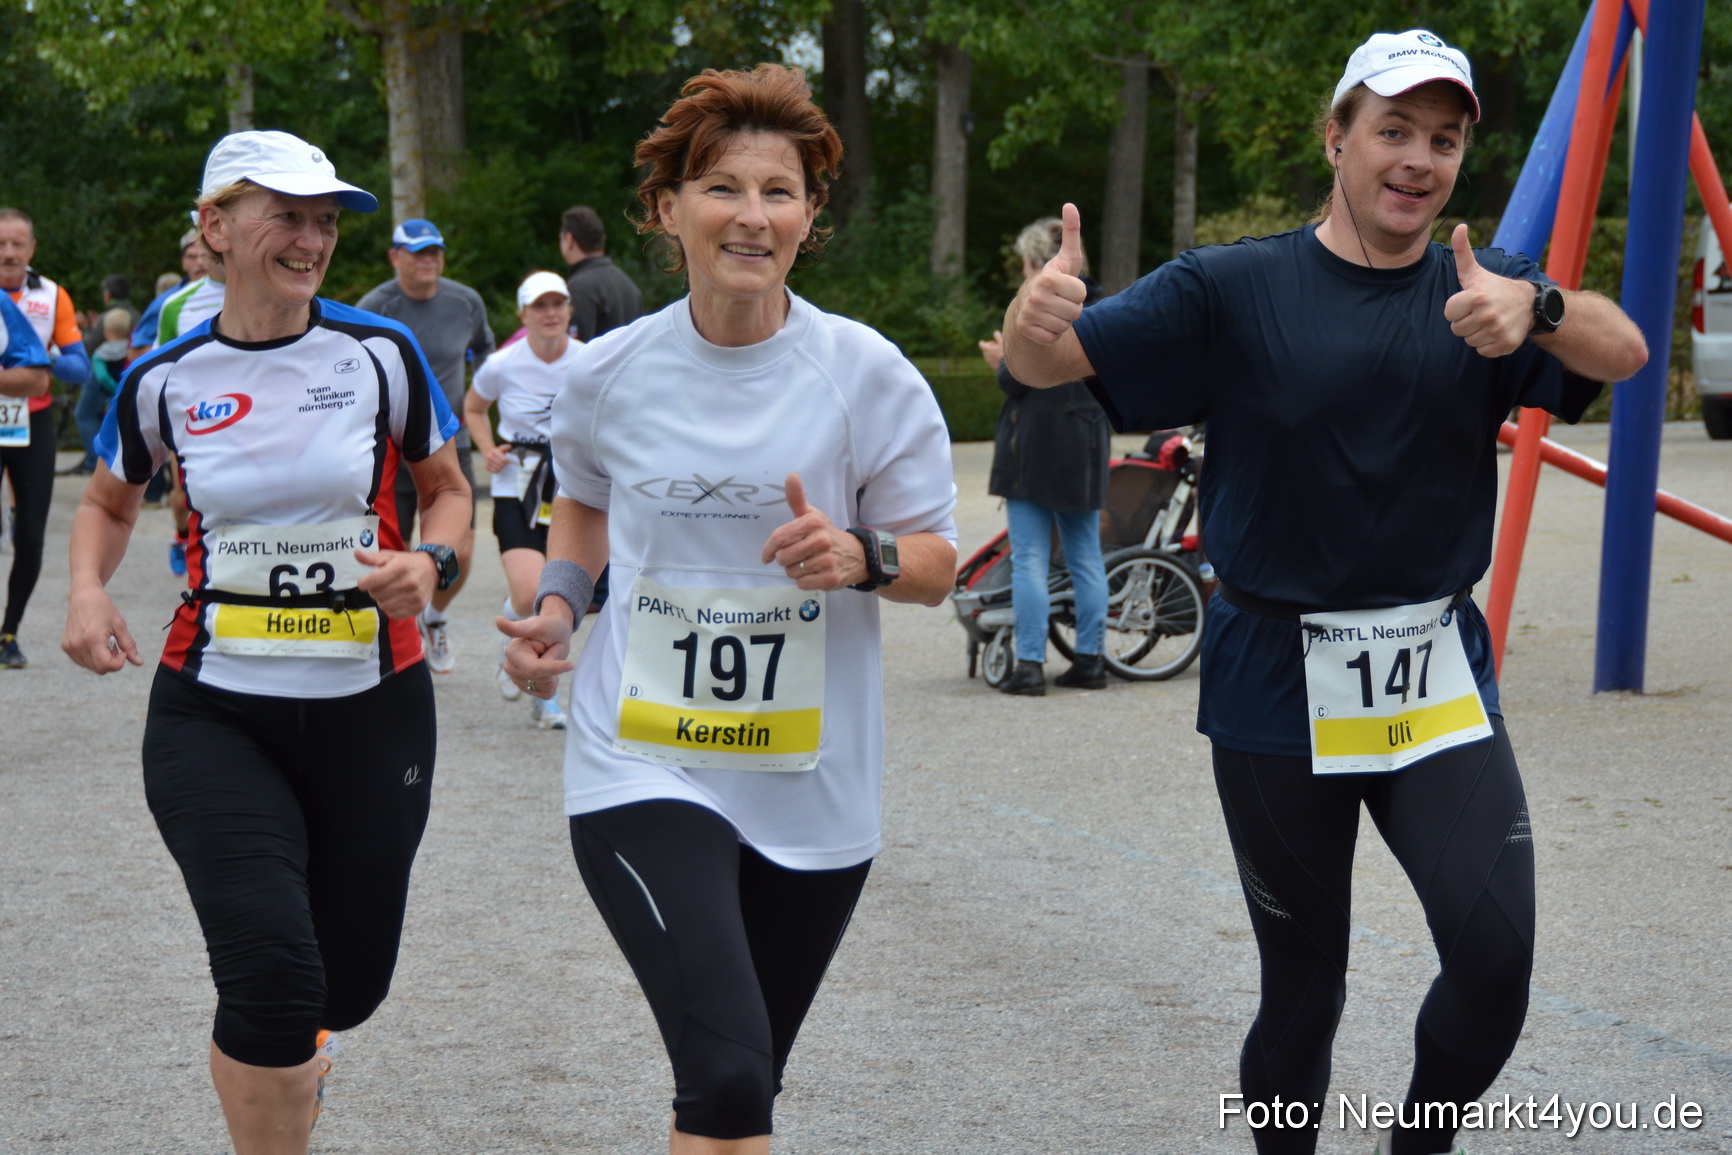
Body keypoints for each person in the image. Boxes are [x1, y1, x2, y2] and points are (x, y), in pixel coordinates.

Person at [1002, 29, 1647, 1155]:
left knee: (1494, 961)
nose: (1418, 159)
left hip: (1433, 667)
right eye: (1393, 130)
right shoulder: (1232, 284)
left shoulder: (1482, 283)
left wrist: (1536, 307)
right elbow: (1044, 368)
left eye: (1442, 140)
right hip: (1273, 682)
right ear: (1336, 136)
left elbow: (1626, 349)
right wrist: (1035, 314)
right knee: (1304, 988)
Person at [502, 64, 957, 1154]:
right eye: (722, 188)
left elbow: (941, 565)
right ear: (666, 210)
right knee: (723, 1071)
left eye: (779, 192)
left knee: (737, 1088)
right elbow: (581, 509)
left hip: (813, 786)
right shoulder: (606, 375)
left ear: (810, 218)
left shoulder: (867, 374)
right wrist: (560, 612)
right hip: (642, 759)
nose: (752, 216)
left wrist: (861, 554)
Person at [62, 129, 470, 1154]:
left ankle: (299, 1061)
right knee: (271, 975)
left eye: (326, 221)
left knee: (347, 984)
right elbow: (109, 503)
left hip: (374, 704)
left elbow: (450, 492)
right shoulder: (163, 376)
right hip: (213, 709)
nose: (311, 238)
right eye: (285, 214)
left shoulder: (379, 355)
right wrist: (83, 590)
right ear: (215, 228)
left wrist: (434, 567)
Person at [978, 216, 1111, 696]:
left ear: (1035, 262)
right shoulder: (1101, 305)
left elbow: (1018, 380)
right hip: (1086, 442)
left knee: (1030, 558)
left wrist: (1001, 362)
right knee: (1086, 557)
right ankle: (1092, 659)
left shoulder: (1038, 307)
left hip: (1033, 446)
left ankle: (1030, 664)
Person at [357, 217, 495, 672]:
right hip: (391, 447)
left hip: (448, 439)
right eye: (417, 253)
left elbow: (487, 356)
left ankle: (433, 618)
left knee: (461, 547)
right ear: (395, 257)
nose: (428, 261)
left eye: (434, 251)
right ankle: (394, 639)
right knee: (392, 546)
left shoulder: (465, 302)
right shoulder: (376, 306)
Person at [463, 271, 583, 730]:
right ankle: (511, 645)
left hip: (570, 491)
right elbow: (473, 408)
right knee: (531, 593)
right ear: (523, 314)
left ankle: (544, 697)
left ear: (569, 310)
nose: (550, 313)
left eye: (558, 304)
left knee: (557, 602)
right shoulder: (502, 363)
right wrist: (487, 446)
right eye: (540, 306)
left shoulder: (590, 359)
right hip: (515, 486)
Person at [0, 206, 92, 669]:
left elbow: (81, 367)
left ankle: (9, 633)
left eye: (18, 244)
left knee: (31, 537)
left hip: (30, 422)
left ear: (32, 249)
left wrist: (41, 358)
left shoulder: (51, 295)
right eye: (1, 244)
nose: (10, 253)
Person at [152, 233, 228, 575]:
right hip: (191, 418)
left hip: (245, 416)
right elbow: (157, 367)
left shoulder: (263, 296)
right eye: (193, 255)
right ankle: (181, 534)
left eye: (203, 252)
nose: (200, 260)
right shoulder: (175, 304)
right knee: (184, 497)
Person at [64, 307, 134, 475]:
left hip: (108, 393)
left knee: (86, 416)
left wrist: (114, 389)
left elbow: (101, 376)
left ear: (107, 330)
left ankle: (96, 459)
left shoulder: (101, 353)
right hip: (125, 392)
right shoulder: (130, 349)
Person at [560, 203, 644, 341]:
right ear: (602, 238)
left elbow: (577, 349)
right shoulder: (628, 285)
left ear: (569, 239)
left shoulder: (579, 288)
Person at [131, 226, 207, 357]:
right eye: (192, 257)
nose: (199, 263)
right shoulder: (166, 302)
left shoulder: (232, 293)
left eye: (204, 255)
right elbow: (135, 352)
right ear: (183, 263)